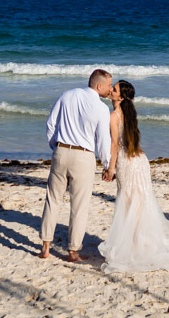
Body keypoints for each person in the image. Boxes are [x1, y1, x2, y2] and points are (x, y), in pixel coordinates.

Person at [98, 80, 169, 272]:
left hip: (127, 163)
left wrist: (110, 169)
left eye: (114, 89)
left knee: (128, 204)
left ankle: (133, 250)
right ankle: (142, 246)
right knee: (140, 204)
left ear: (121, 97)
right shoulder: (130, 114)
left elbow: (114, 145)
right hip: (139, 161)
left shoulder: (114, 116)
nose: (111, 90)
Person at [39, 68, 114, 262]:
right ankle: (73, 251)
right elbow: (103, 140)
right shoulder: (101, 108)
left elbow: (51, 124)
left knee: (53, 199)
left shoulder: (67, 95)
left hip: (61, 152)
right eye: (109, 85)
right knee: (79, 205)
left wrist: (56, 147)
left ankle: (45, 246)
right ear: (99, 86)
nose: (110, 89)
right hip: (84, 156)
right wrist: (107, 164)